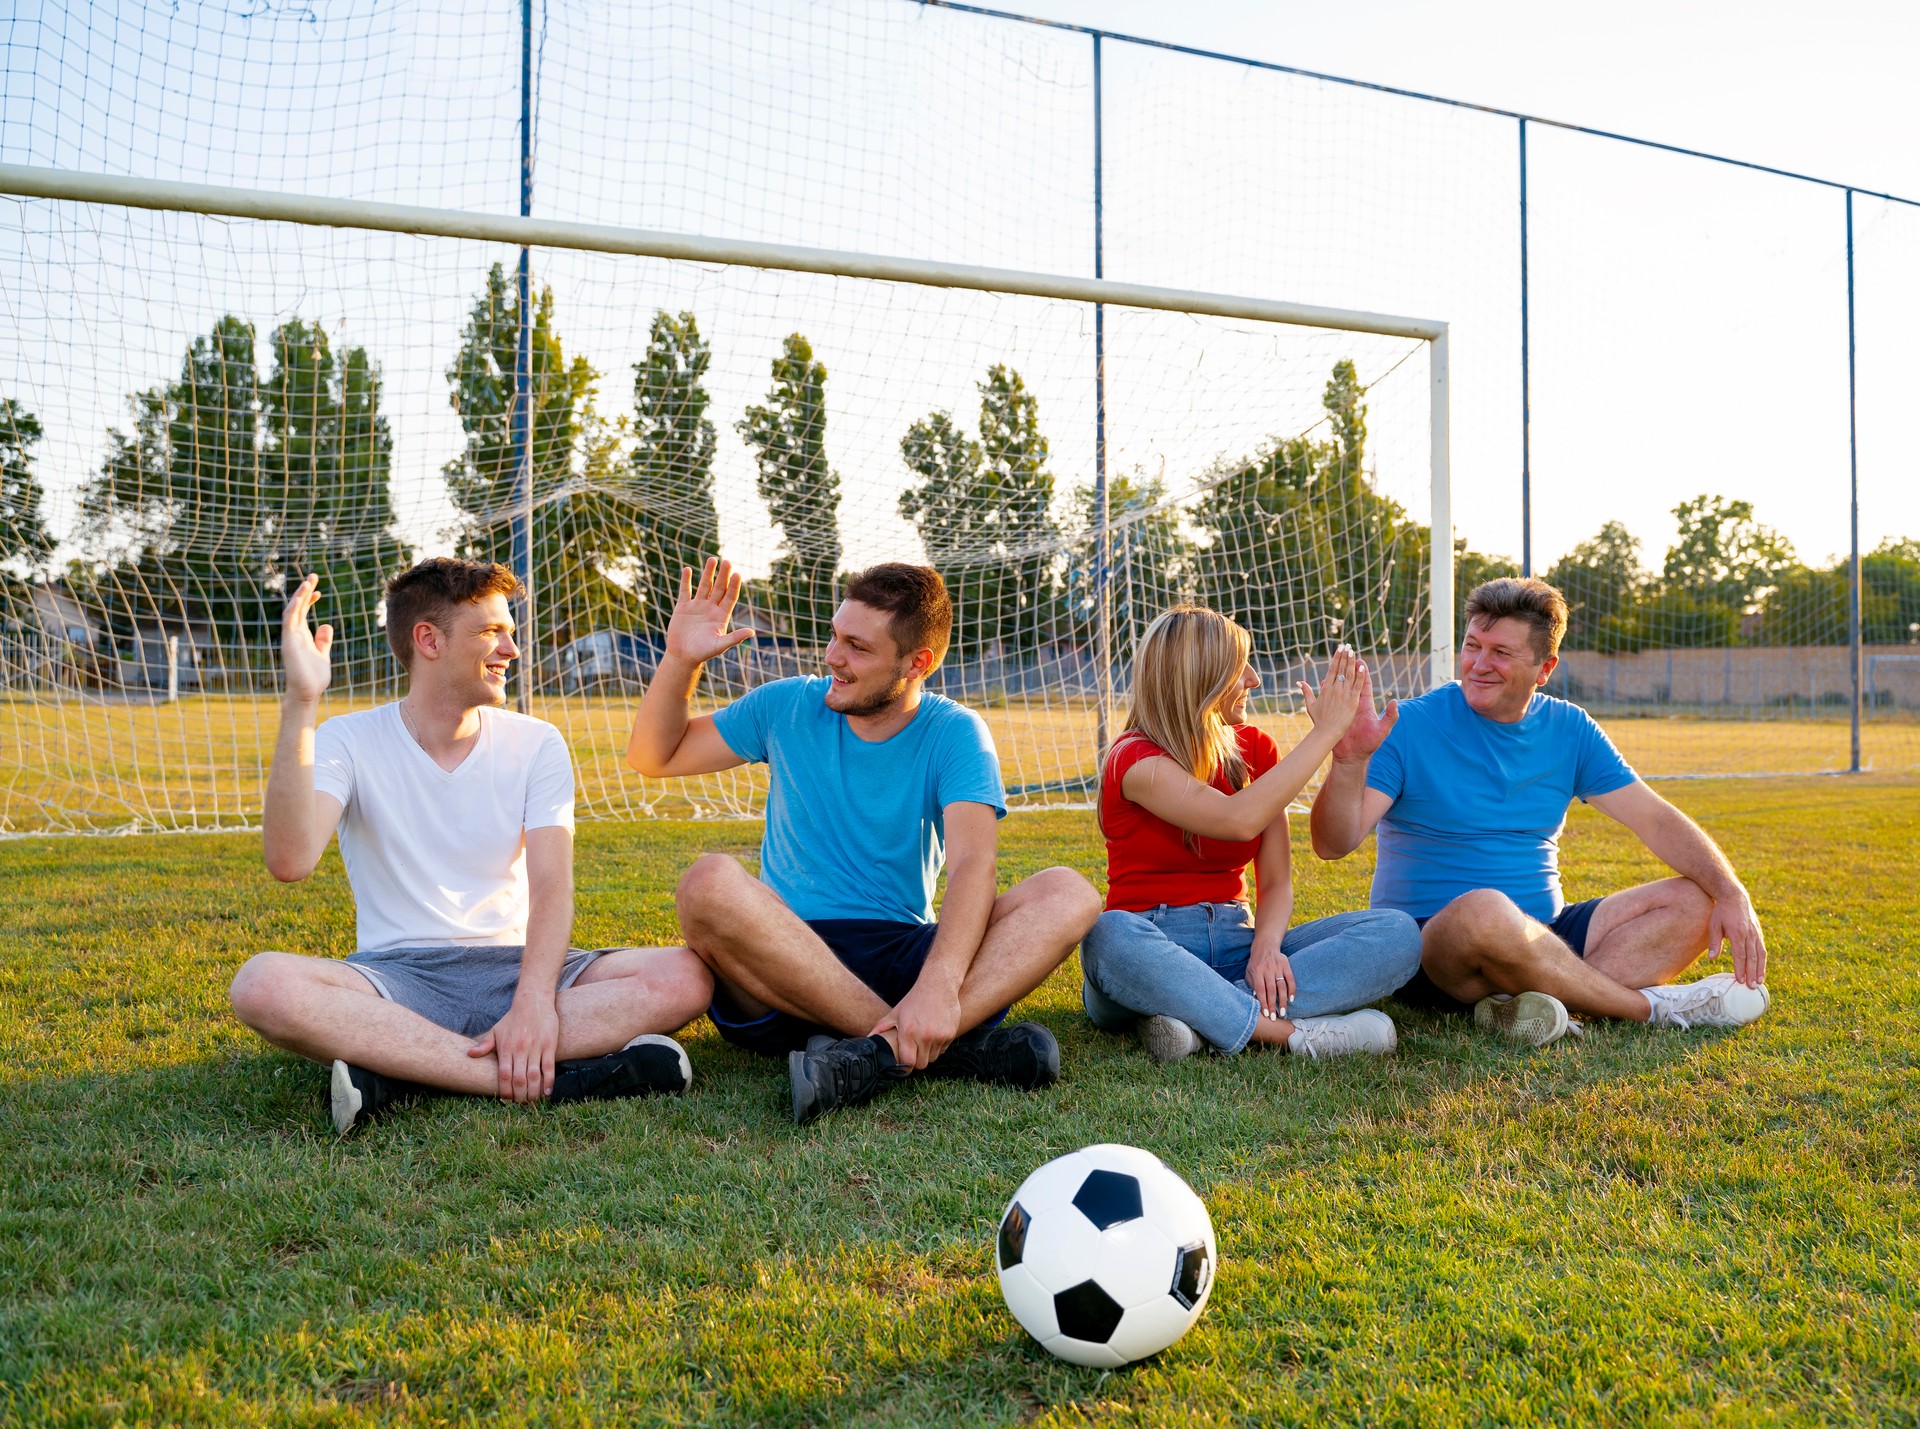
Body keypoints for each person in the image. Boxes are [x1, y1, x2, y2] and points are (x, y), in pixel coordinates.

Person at [229, 559, 714, 1135]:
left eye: (509, 631)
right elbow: (290, 861)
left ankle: (405, 1069)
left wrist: (534, 1001)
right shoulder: (347, 738)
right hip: (397, 979)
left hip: (517, 969)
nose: (511, 648)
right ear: (428, 639)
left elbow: (553, 885)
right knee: (262, 985)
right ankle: (563, 1079)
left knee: (687, 975)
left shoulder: (536, 742)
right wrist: (301, 704)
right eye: (491, 632)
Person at [626, 557, 1102, 1124]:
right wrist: (680, 659)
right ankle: (925, 1048)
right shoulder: (787, 705)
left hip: (902, 955)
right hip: (779, 959)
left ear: (916, 662)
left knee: (1069, 893)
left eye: (857, 646)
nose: (833, 656)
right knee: (707, 881)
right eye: (835, 636)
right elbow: (654, 757)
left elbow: (974, 863)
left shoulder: (954, 731)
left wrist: (939, 986)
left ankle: (875, 1054)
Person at [1310, 577, 1771, 1046]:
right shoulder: (1406, 724)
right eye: (1473, 646)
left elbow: (1653, 818)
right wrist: (1348, 762)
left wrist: (1733, 893)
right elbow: (1332, 844)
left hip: (1545, 931)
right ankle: (1651, 1007)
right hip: (1436, 943)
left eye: (1501, 653)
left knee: (1698, 897)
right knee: (1485, 909)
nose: (1478, 665)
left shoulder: (1570, 728)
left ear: (1544, 668)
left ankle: (1524, 1005)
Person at [1079, 607, 1423, 1063]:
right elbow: (1237, 819)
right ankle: (1289, 1035)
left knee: (1397, 933)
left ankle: (1196, 1020)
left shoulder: (1256, 749)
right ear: (1199, 676)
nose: (1254, 679)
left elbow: (1277, 881)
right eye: (1239, 667)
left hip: (1238, 941)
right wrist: (1324, 735)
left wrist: (1265, 949)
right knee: (1107, 934)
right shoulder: (1133, 758)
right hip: (1150, 948)